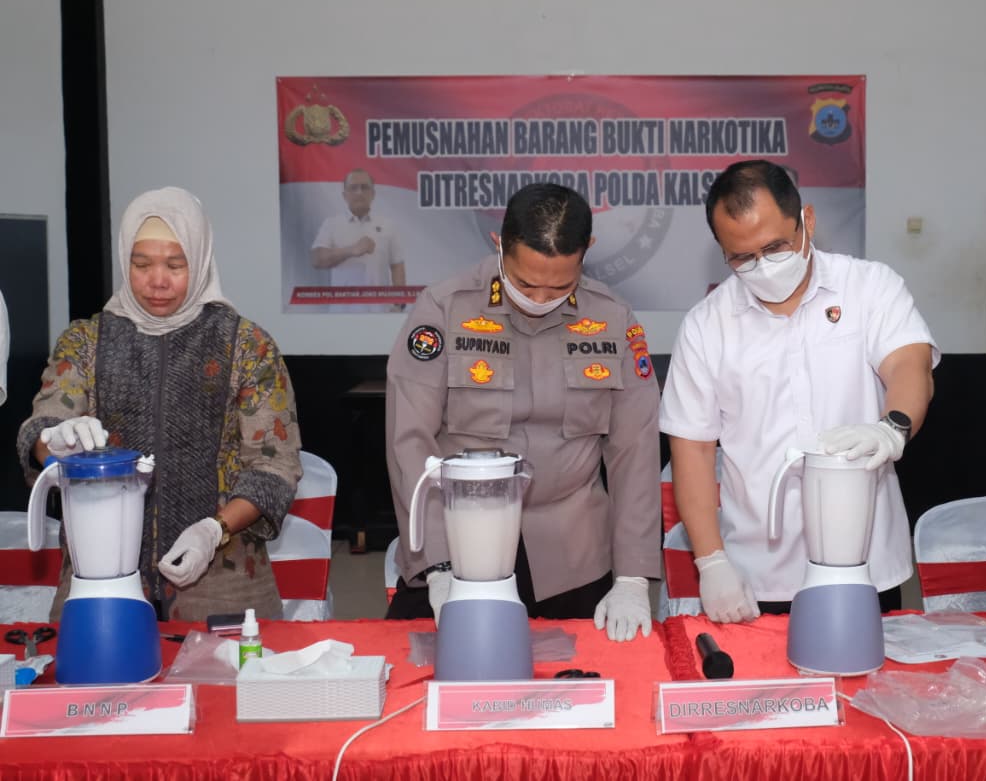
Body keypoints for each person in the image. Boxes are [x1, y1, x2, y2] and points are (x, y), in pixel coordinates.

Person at [659, 160, 938, 622]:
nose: (763, 267)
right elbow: (692, 450)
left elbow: (910, 365)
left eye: (775, 247)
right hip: (757, 572)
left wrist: (892, 429)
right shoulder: (706, 326)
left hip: (866, 561)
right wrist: (711, 562)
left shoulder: (869, 287)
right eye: (742, 257)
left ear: (806, 221)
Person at [385, 182, 660, 641]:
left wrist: (632, 575)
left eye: (560, 286)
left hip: (573, 554)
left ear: (587, 250)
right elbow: (409, 442)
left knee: (587, 678)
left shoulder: (612, 318)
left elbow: (635, 450)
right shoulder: (445, 308)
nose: (541, 298)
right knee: (423, 670)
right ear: (499, 244)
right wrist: (439, 563)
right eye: (526, 284)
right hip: (463, 541)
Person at [17, 187, 302, 621]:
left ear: (200, 260)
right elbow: (46, 422)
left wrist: (214, 530)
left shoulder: (248, 346)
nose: (158, 281)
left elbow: (274, 465)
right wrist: (53, 441)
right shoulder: (85, 341)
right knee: (89, 666)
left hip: (223, 572)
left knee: (229, 666)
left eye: (175, 265)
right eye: (141, 264)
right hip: (100, 568)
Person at [310, 168, 406, 312]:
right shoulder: (331, 224)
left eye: (364, 187)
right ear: (344, 195)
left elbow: (397, 265)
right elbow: (316, 260)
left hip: (380, 313)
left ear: (373, 194)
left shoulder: (388, 225)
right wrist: (351, 250)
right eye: (353, 188)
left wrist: (399, 304)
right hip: (342, 314)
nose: (359, 192)